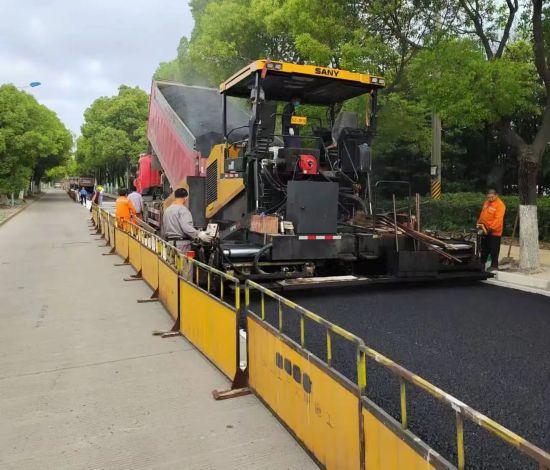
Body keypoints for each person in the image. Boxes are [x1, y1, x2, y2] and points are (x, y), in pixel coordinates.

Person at [162, 187, 213, 253]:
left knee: (170, 263)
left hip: (169, 243)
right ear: (186, 198)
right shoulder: (183, 210)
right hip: (182, 245)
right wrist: (199, 234)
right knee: (183, 263)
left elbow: (163, 228)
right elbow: (186, 228)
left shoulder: (167, 210)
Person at [477, 189, 506, 271]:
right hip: (484, 229)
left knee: (494, 249)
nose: (490, 199)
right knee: (484, 248)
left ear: (496, 195)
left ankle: (494, 265)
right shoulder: (486, 203)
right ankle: (482, 263)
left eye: (492, 197)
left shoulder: (500, 205)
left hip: (494, 231)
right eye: (488, 197)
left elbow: (498, 219)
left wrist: (491, 228)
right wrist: (479, 224)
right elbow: (482, 214)